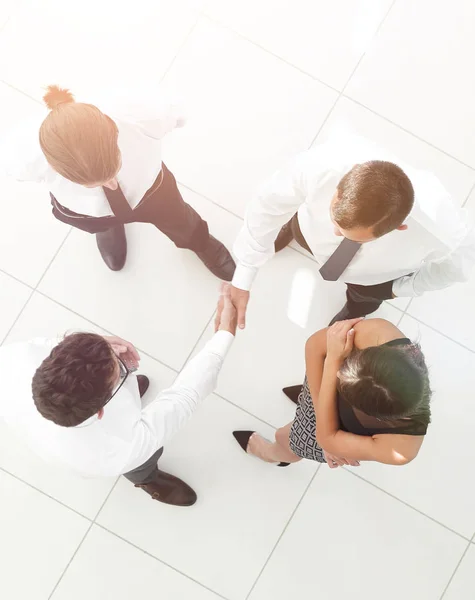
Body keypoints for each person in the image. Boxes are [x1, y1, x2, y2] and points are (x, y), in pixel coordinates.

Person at [0, 286, 237, 507]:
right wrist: (224, 335)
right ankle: (146, 479)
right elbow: (185, 396)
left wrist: (100, 344)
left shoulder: (13, 358)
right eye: (119, 371)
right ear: (102, 408)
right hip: (123, 455)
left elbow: (52, 344)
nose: (120, 357)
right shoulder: (119, 448)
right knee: (143, 460)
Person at [226, 138, 475, 327]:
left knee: (363, 299)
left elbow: (457, 268)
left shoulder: (444, 230)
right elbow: (269, 204)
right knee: (298, 226)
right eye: (335, 220)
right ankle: (292, 230)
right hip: (307, 227)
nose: (336, 233)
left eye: (352, 237)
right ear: (342, 183)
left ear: (400, 227)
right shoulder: (322, 165)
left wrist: (399, 289)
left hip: (374, 276)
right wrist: (245, 272)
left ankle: (353, 310)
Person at [4, 84, 235, 279]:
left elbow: (178, 116)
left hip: (153, 191)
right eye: (92, 184)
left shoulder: (138, 112)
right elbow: (15, 170)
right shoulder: (22, 148)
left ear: (114, 130)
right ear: (52, 164)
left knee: (179, 219)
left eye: (113, 169)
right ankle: (108, 227)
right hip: (85, 211)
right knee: (99, 221)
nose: (112, 186)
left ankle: (198, 241)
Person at [233, 318, 432, 468]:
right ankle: (306, 398)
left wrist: (334, 358)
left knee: (285, 438)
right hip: (327, 426)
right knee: (310, 391)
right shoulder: (380, 333)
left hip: (337, 430)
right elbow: (314, 345)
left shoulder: (402, 447)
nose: (337, 374)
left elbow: (326, 440)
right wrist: (318, 404)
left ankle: (272, 454)